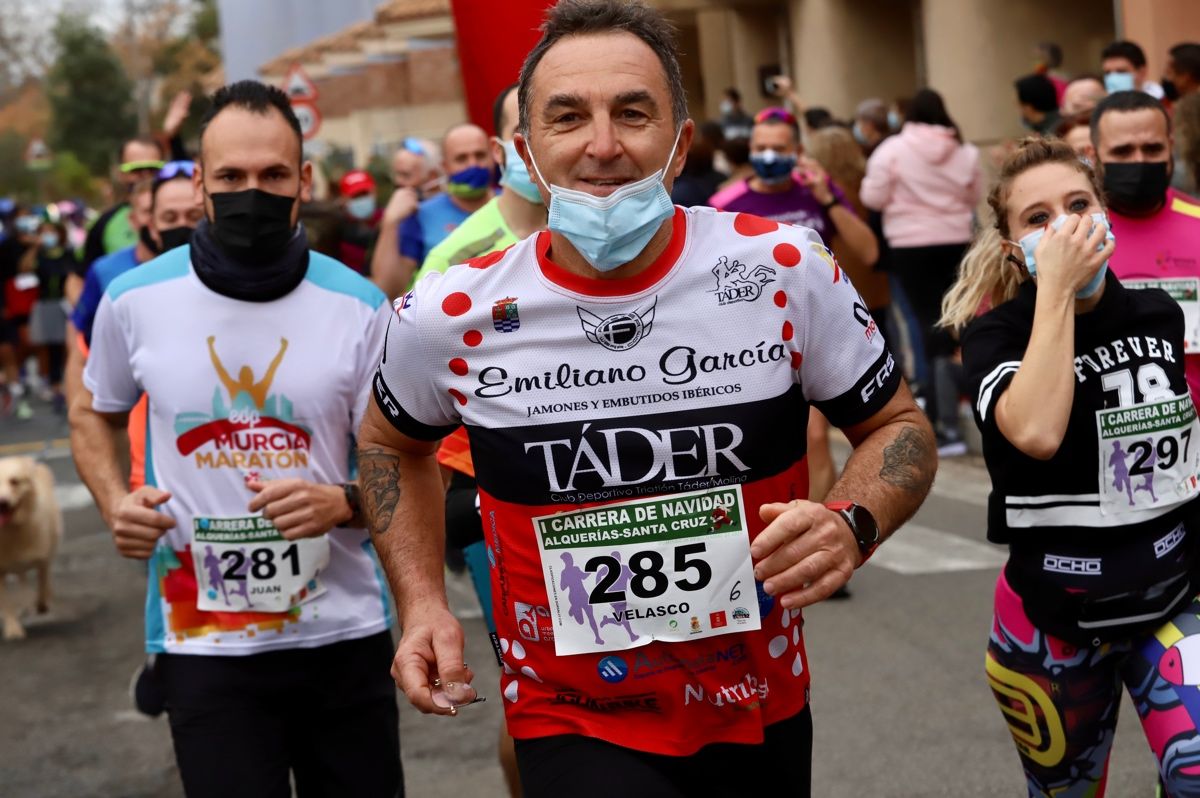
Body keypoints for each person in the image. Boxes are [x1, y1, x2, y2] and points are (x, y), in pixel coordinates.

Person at [358, 3, 936, 797]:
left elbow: (898, 427)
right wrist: (421, 601)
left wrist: (852, 521)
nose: (603, 144)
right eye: (568, 118)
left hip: (758, 703)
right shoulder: (450, 314)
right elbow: (391, 444)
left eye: (633, 112)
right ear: (525, 152)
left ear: (681, 143)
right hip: (570, 713)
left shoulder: (783, 270)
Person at [69, 81, 401, 797]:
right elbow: (93, 412)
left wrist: (344, 501)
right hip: (203, 638)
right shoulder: (134, 302)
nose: (253, 191)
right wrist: (113, 502)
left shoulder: (360, 306)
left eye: (274, 175)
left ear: (303, 179)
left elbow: (407, 457)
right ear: (200, 182)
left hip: (340, 632)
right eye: (231, 177)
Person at [944, 135, 1200, 798]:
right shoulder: (994, 334)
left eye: (1078, 204)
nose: (1063, 227)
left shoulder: (1159, 313)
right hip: (1053, 621)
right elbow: (1034, 431)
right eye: (1037, 218)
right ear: (1011, 248)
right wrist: (1054, 289)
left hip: (1170, 599)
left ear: (1105, 215)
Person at [861, 88, 983, 456]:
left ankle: (943, 419)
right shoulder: (965, 151)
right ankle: (967, 400)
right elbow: (973, 196)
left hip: (909, 244)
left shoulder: (892, 150)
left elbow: (872, 197)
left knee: (927, 320)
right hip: (956, 239)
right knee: (959, 316)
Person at [1091, 91, 1200, 408]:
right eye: (1122, 151)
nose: (1138, 160)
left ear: (1171, 148)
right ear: (1093, 153)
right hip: (1102, 430)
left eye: (1152, 148)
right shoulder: (1073, 233)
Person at [708, 107, 879, 269]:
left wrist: (828, 200)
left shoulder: (816, 188)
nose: (769, 157)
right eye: (761, 148)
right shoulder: (724, 203)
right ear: (750, 149)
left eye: (779, 148)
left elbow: (869, 252)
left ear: (798, 151)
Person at [372, 124, 495, 299]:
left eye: (480, 155)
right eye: (461, 158)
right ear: (445, 166)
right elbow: (388, 288)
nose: (473, 165)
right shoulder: (420, 216)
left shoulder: (514, 204)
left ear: (493, 156)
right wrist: (390, 223)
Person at [81, 138, 166, 270]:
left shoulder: (186, 214)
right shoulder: (103, 224)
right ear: (121, 174)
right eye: (136, 170)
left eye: (153, 169)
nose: (145, 176)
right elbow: (80, 276)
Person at [25, 217, 78, 409]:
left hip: (65, 305)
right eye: (43, 232)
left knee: (68, 346)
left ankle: (66, 383)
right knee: (49, 348)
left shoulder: (68, 253)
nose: (48, 236)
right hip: (45, 305)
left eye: (51, 231)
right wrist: (35, 248)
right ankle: (50, 383)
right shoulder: (40, 255)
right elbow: (24, 267)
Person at [336, 169, 380, 275]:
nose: (361, 200)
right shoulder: (338, 230)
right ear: (343, 200)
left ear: (375, 192)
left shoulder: (386, 219)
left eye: (364, 194)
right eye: (356, 196)